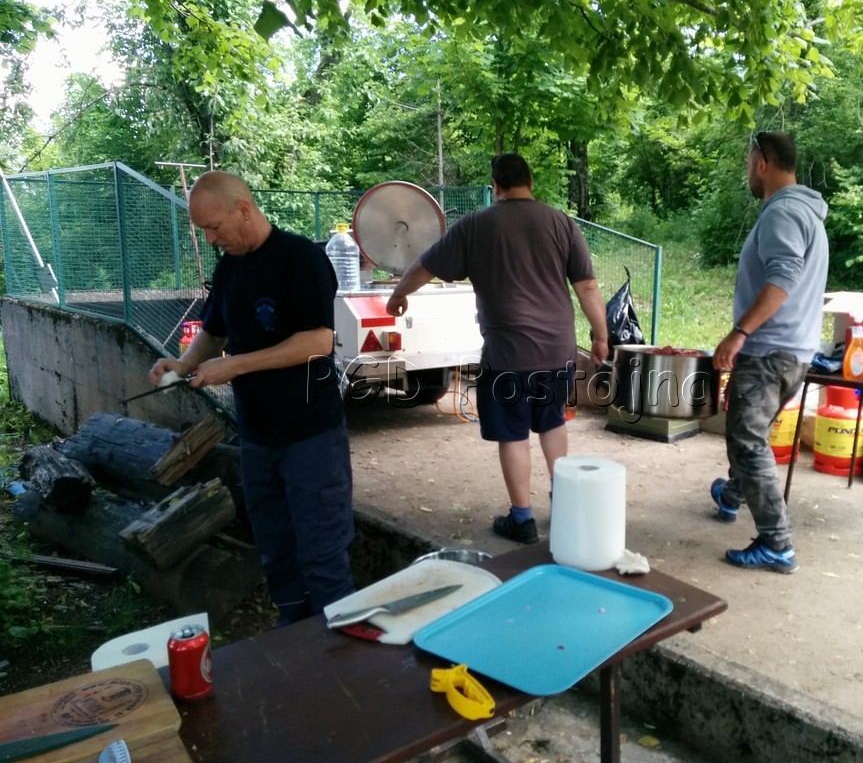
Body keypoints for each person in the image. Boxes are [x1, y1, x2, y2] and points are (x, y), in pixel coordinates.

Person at [148, 170, 355, 624]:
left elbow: (317, 340)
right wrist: (183, 364)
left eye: (213, 227)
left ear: (243, 209)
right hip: (258, 436)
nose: (210, 239)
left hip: (310, 434)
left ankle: (338, 642)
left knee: (322, 549)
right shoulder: (229, 268)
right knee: (275, 547)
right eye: (203, 230)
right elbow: (214, 333)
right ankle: (292, 632)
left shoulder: (300, 257)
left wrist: (236, 365)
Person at [385, 153, 609, 544]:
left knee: (513, 434)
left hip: (508, 355)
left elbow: (426, 265)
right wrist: (601, 335)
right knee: (552, 423)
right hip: (556, 350)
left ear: (496, 186)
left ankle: (522, 519)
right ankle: (566, 505)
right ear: (531, 181)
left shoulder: (476, 225)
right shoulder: (561, 222)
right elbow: (587, 285)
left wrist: (398, 295)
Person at [710, 131, 829, 573]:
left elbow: (783, 277)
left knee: (746, 441)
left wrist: (740, 332)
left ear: (762, 161)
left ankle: (777, 544)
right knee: (751, 435)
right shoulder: (805, 212)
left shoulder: (783, 212)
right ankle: (731, 494)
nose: (747, 171)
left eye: (748, 162)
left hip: (769, 350)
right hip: (794, 350)